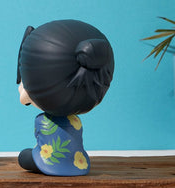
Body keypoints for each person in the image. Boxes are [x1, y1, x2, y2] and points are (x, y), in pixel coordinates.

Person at [16, 19, 114, 176]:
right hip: (79, 163)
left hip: (47, 163)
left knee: (24, 157)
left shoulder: (42, 121)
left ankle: (44, 163)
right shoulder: (75, 121)